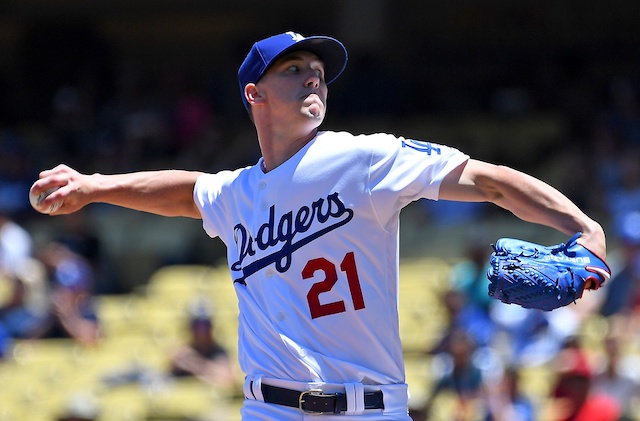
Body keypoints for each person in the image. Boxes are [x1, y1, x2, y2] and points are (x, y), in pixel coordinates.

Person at [30, 31, 608, 419]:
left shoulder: (363, 158)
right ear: (254, 94)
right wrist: (94, 187)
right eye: (294, 69)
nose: (313, 78)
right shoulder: (240, 192)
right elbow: (186, 191)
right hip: (268, 408)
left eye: (318, 71)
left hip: (369, 407)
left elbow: (488, 179)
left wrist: (583, 225)